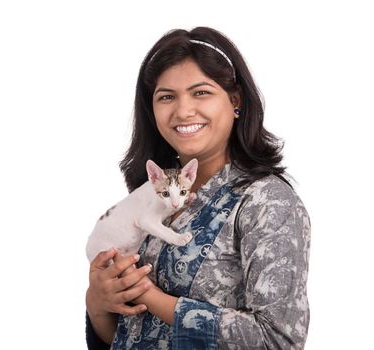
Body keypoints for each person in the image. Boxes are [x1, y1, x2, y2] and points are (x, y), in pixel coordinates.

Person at [85, 26, 311, 350]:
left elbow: (277, 340)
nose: (183, 110)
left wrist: (152, 297)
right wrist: (98, 302)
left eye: (201, 92)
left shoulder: (267, 203)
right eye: (167, 97)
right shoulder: (155, 195)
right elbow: (130, 334)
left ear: (235, 101)